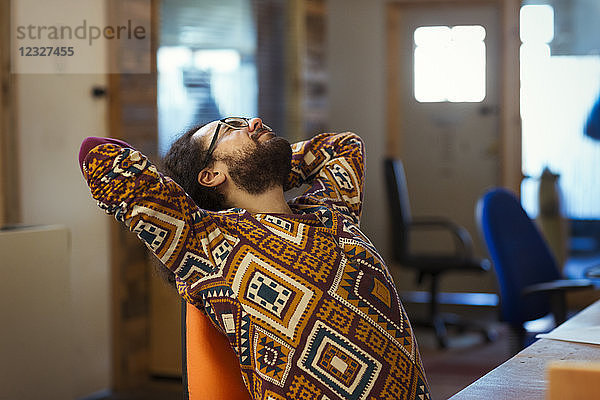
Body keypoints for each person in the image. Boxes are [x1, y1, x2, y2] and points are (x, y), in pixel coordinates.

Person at [79, 117, 430, 400]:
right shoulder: (206, 241)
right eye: (231, 128)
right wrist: (233, 179)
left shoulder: (331, 208)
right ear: (211, 174)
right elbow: (97, 155)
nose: (255, 122)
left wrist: (269, 169)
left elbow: (343, 146)